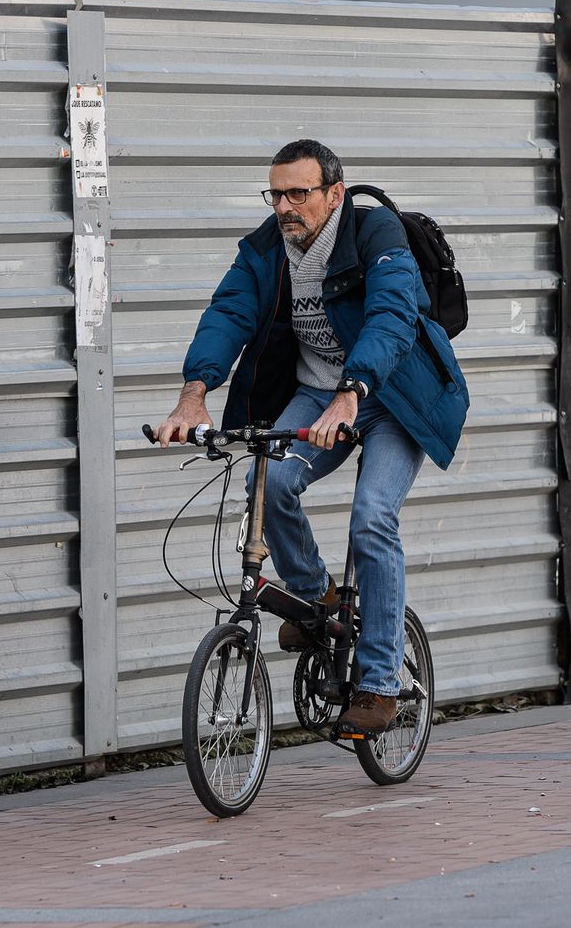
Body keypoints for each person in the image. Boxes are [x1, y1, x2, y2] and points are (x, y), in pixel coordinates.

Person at [153, 139, 468, 734]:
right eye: (276, 193)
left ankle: (378, 684)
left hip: (390, 398)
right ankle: (316, 598)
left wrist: (353, 391)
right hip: (317, 395)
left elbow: (391, 317)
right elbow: (228, 313)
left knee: (372, 517)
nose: (285, 206)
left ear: (334, 194)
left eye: (299, 193)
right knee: (265, 482)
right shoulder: (268, 248)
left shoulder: (377, 235)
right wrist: (194, 393)